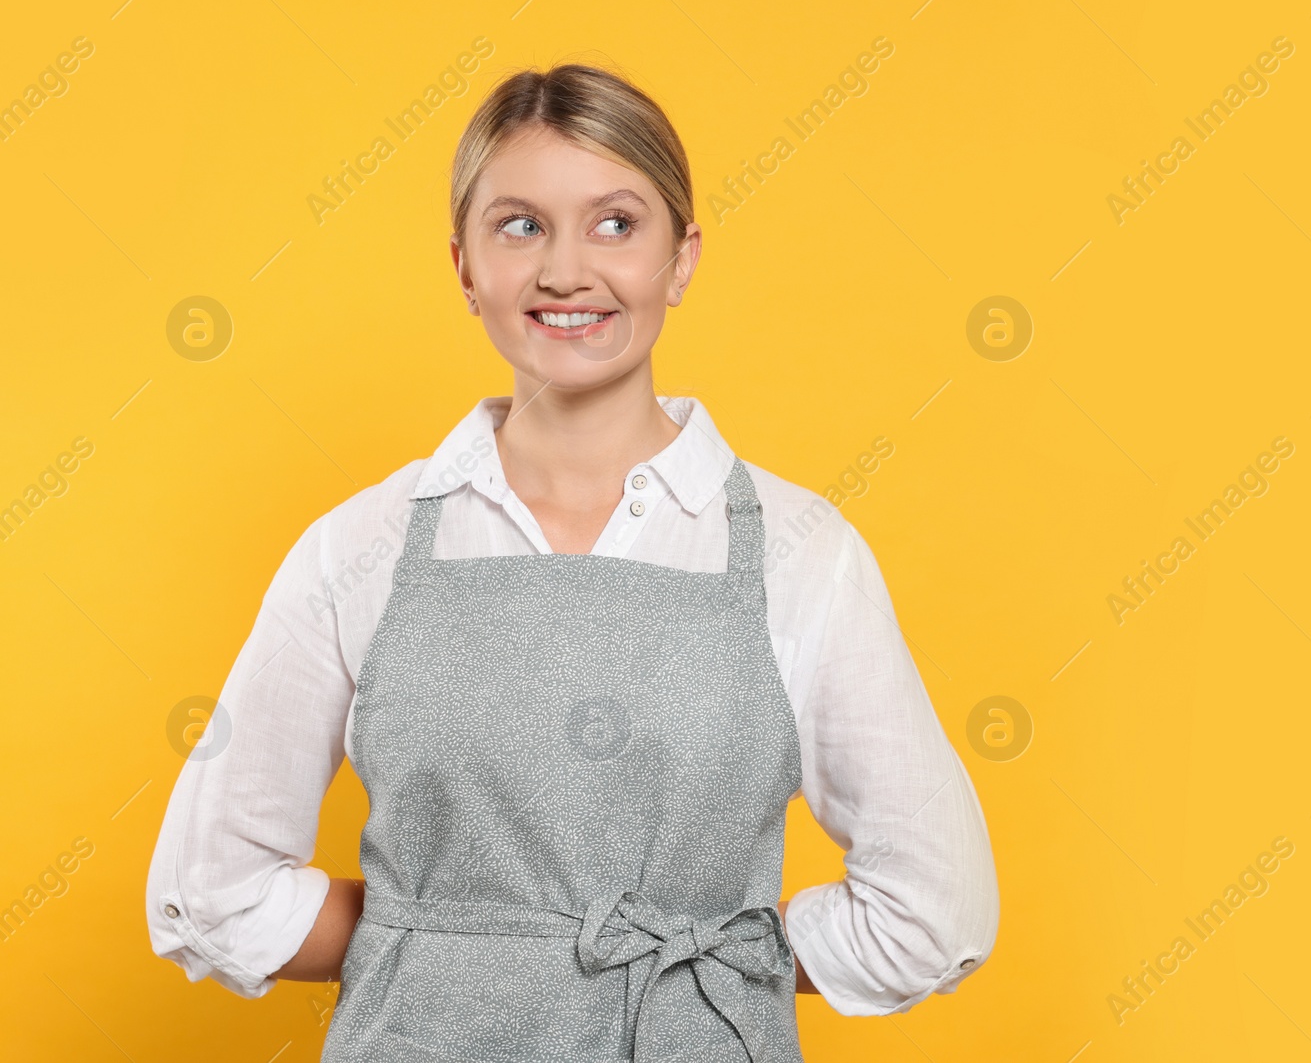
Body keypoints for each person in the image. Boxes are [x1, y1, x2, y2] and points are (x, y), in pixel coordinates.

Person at [145, 62, 999, 1061]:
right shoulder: (359, 550)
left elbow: (931, 910)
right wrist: (450, 939)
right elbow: (210, 888)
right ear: (464, 265)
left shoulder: (803, 556)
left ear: (680, 260)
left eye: (615, 223)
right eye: (519, 225)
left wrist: (710, 952)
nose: (564, 271)